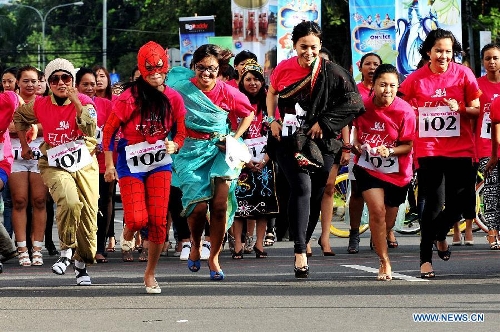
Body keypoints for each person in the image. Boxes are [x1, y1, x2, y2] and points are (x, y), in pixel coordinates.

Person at [266, 21, 364, 278]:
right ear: (293, 45)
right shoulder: (283, 69)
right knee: (302, 187)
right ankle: (300, 251)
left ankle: (305, 238)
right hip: (289, 138)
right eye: (302, 47)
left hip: (324, 141)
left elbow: (354, 102)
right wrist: (271, 119)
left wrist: (325, 122)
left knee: (318, 192)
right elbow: (272, 92)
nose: (308, 52)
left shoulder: (333, 72)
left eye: (313, 47)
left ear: (320, 46)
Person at [103, 41, 186, 293]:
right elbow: (108, 131)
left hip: (159, 162)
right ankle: (130, 228)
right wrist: (108, 164)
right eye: (149, 69)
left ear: (166, 67)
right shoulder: (128, 98)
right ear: (142, 69)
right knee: (139, 219)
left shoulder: (173, 97)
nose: (155, 73)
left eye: (160, 67)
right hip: (130, 161)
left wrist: (175, 144)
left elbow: (181, 132)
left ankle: (150, 273)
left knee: (159, 221)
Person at [167, 43, 255, 281]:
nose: (206, 74)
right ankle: (195, 244)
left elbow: (249, 114)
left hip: (219, 151)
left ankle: (214, 256)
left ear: (219, 70)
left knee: (218, 205)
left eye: (212, 69)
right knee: (197, 209)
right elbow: (164, 107)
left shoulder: (227, 91)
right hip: (189, 152)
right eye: (201, 68)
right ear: (194, 67)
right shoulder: (180, 89)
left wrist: (234, 139)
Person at [399, 29, 481, 279]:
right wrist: (411, 112)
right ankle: (425, 259)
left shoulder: (464, 74)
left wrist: (462, 108)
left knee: (465, 203)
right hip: (430, 149)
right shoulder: (416, 79)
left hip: (461, 148)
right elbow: (399, 102)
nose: (444, 56)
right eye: (439, 51)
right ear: (428, 52)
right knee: (432, 205)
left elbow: (477, 110)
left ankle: (439, 233)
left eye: (448, 51)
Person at [14, 58, 99, 286]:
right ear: (48, 83)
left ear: (72, 80)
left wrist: (75, 101)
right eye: (54, 79)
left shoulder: (85, 101)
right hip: (54, 162)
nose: (60, 82)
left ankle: (81, 265)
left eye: (66, 78)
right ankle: (66, 251)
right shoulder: (40, 105)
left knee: (89, 218)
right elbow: (19, 117)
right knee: (69, 202)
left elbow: (91, 128)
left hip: (84, 163)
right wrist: (24, 146)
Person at [352, 64, 416, 280]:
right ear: (374, 86)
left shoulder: (405, 111)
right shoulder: (362, 107)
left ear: (398, 87)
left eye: (392, 86)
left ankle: (382, 236)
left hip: (398, 171)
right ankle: (384, 261)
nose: (387, 90)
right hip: (368, 168)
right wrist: (356, 146)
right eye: (382, 85)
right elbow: (355, 135)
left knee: (388, 220)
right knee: (377, 212)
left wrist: (389, 150)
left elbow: (408, 145)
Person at [232, 59, 279, 259]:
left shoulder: (269, 103)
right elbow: (232, 132)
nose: (253, 83)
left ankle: (259, 244)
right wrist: (244, 160)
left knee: (263, 206)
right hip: (241, 162)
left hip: (265, 161)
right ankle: (237, 246)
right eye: (248, 79)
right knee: (239, 205)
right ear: (242, 82)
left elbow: (276, 132)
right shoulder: (235, 103)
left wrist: (266, 159)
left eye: (257, 79)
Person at [75, 67, 114, 263]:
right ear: (76, 86)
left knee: (103, 202)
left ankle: (99, 247)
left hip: (102, 162)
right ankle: (79, 245)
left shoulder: (107, 105)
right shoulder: (69, 105)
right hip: (76, 163)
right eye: (85, 84)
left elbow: (115, 131)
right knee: (80, 205)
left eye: (92, 84)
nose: (90, 88)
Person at [11, 65, 48, 267]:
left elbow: (51, 125)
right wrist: (32, 127)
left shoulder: (45, 102)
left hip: (39, 154)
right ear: (18, 82)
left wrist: (26, 127)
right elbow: (6, 125)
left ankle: (37, 248)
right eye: (26, 80)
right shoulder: (11, 101)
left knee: (40, 200)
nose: (30, 84)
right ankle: (22, 248)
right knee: (19, 200)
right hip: (15, 154)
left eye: (34, 80)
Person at [475, 44, 500, 249]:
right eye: (487, 58)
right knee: (491, 189)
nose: (492, 62)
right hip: (485, 145)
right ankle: (492, 232)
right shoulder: (477, 86)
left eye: (495, 58)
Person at [0, 90, 22, 273]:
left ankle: (7, 248)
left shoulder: (7, 99)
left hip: (1, 161)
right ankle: (7, 248)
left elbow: (16, 103)